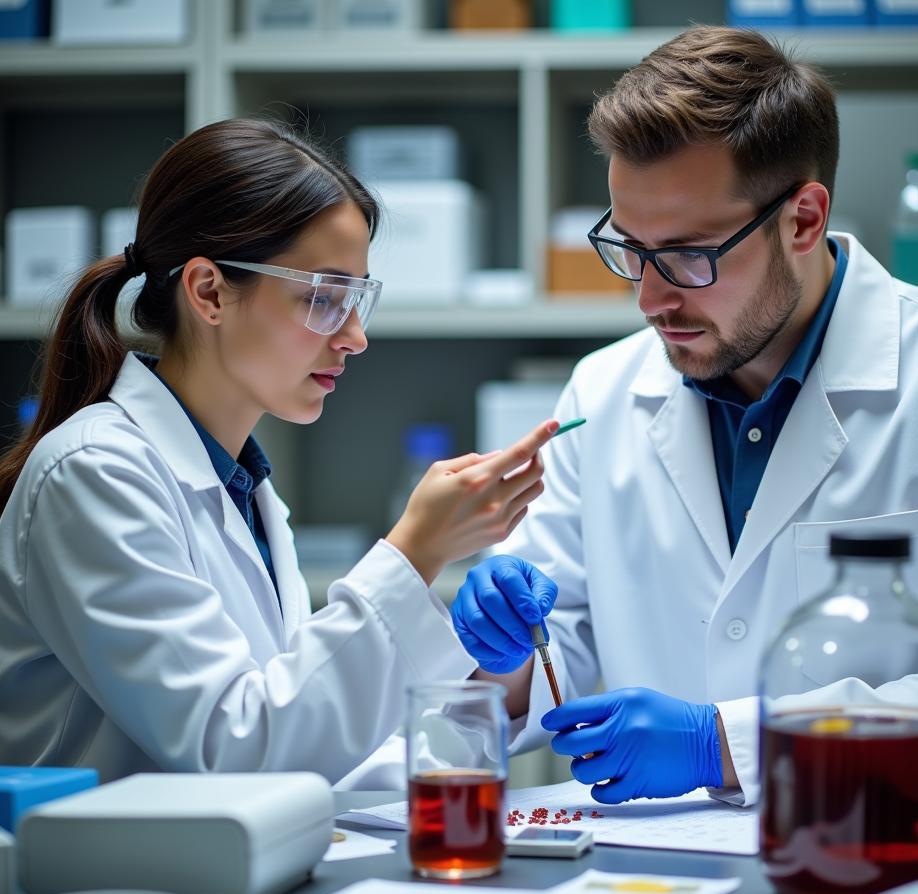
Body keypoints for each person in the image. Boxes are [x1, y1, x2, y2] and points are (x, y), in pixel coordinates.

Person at [451, 26, 918, 805]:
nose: (651, 300)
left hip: (875, 870)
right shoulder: (604, 390)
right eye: (630, 249)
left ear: (803, 219)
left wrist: (725, 744)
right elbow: (556, 660)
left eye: (691, 255)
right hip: (646, 887)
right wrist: (508, 653)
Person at [0, 118, 557, 783]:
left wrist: (486, 670)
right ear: (208, 291)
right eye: (324, 297)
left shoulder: (245, 489)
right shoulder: (91, 474)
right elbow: (237, 750)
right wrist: (414, 552)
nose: (355, 337)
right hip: (112, 882)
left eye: (359, 300)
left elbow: (308, 739)